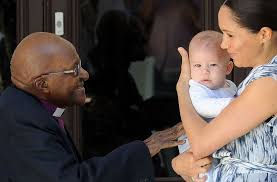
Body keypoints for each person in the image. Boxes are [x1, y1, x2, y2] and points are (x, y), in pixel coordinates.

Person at [0, 32, 184, 182]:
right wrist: (145, 148)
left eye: (80, 66)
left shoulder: (23, 107)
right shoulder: (22, 122)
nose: (85, 75)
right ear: (42, 84)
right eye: (74, 70)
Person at [172, 0, 277, 181]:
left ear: (264, 34)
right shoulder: (261, 76)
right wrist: (179, 164)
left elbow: (201, 145)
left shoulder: (270, 82)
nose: (223, 44)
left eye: (229, 35)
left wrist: (183, 88)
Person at [177, 30, 236, 182]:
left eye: (213, 65)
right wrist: (236, 104)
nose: (205, 71)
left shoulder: (230, 86)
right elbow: (203, 106)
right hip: (193, 147)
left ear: (228, 68)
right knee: (204, 171)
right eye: (197, 65)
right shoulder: (196, 88)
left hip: (214, 143)